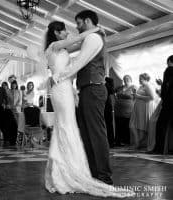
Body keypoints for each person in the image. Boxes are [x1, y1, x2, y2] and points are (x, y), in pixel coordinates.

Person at [44, 13, 134, 197]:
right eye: (66, 30)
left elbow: (79, 62)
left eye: (78, 23)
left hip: (90, 88)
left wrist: (58, 77)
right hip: (77, 89)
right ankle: (88, 172)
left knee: (93, 132)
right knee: (82, 131)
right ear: (56, 32)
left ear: (86, 21)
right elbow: (76, 46)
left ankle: (103, 176)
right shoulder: (62, 45)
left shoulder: (93, 38)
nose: (75, 28)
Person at [153, 55, 173, 154]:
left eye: (167, 62)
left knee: (161, 125)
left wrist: (162, 90)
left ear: (170, 62)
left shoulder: (169, 70)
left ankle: (159, 149)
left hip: (169, 104)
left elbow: (167, 89)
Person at [129, 73, 155, 149]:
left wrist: (138, 96)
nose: (139, 80)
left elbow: (152, 98)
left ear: (146, 79)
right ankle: (137, 143)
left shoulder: (148, 86)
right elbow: (137, 97)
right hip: (138, 109)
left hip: (144, 109)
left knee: (141, 127)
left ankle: (138, 144)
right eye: (139, 78)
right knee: (132, 125)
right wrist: (134, 95)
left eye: (141, 79)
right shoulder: (141, 86)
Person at [114, 75, 136, 146]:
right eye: (124, 79)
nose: (126, 80)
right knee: (118, 124)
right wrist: (116, 99)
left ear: (130, 79)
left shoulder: (133, 87)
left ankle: (126, 141)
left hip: (128, 109)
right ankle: (118, 141)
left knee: (126, 124)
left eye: (127, 78)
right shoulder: (120, 87)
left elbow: (135, 97)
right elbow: (114, 93)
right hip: (118, 109)